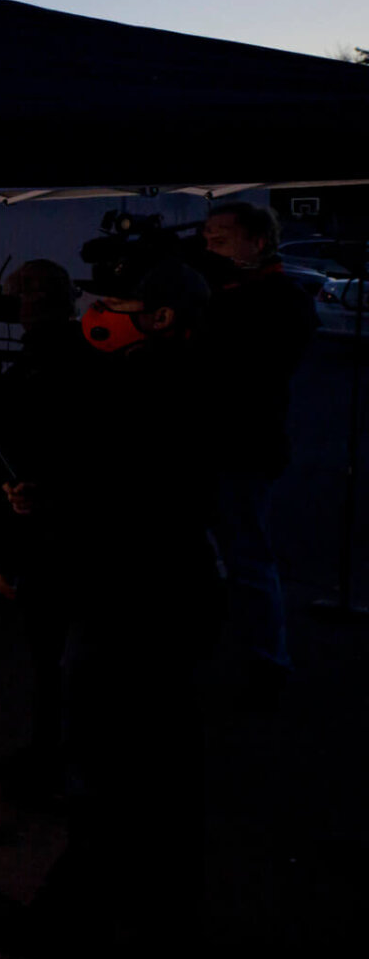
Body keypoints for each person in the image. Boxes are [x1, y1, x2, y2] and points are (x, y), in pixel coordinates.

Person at [0, 257, 220, 959]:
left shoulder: (150, 388)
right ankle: (160, 922)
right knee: (163, 767)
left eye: (113, 302)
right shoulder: (189, 377)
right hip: (174, 592)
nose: (97, 314)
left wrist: (50, 503)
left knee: (109, 766)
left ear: (161, 316)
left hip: (134, 598)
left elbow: (128, 497)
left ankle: (75, 924)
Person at [198, 200, 318, 710]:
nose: (212, 246)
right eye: (208, 238)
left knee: (247, 559)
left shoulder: (280, 298)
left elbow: (251, 364)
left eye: (222, 238)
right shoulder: (229, 292)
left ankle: (268, 663)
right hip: (208, 445)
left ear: (258, 240)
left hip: (244, 448)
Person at [0, 259, 87, 801]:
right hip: (66, 528)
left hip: (51, 531)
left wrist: (3, 552)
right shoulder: (81, 354)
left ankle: (56, 764)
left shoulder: (42, 368)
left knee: (54, 654)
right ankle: (56, 756)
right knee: (60, 655)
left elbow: (13, 455)